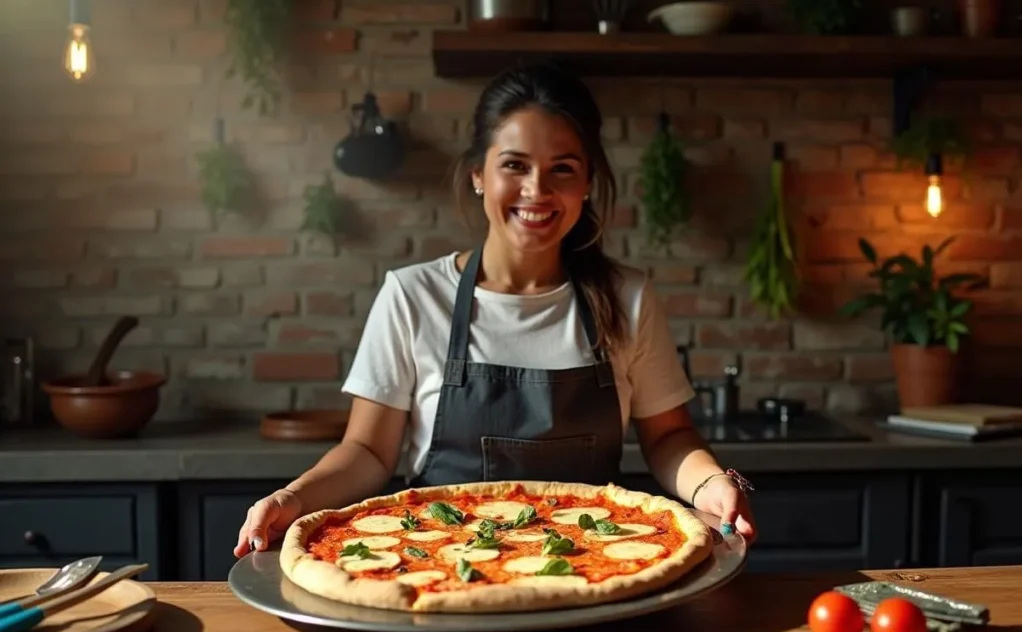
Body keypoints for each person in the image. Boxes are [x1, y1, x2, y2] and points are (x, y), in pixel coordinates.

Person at [234, 62, 757, 559]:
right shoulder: (413, 296)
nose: (537, 190)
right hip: (440, 567)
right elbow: (368, 452)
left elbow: (668, 438)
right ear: (478, 174)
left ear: (587, 182)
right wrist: (295, 497)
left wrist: (712, 484)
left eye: (563, 169)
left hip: (596, 559)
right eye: (514, 165)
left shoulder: (627, 298)